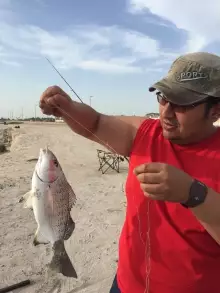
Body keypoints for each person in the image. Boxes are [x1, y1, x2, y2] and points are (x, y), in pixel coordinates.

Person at [39, 52, 220, 293]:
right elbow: (95, 123)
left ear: (215, 111)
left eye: (182, 104)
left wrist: (193, 193)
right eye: (163, 97)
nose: (166, 112)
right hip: (126, 285)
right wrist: (66, 107)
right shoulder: (146, 132)